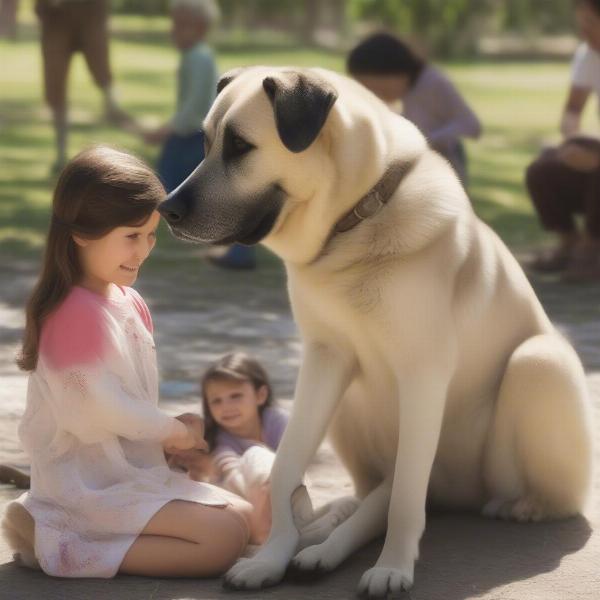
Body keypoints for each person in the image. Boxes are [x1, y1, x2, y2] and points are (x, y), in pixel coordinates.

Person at [1, 146, 260, 579]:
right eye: (131, 236)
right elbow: (97, 411)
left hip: (128, 475)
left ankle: (57, 530)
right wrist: (172, 432)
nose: (143, 250)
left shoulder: (128, 301)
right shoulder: (71, 314)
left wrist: (169, 435)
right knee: (221, 540)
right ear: (82, 233)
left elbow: (127, 399)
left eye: (151, 235)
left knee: (246, 517)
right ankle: (56, 540)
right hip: (86, 489)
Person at [142, 0, 256, 270]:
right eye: (174, 24)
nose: (174, 31)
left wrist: (165, 130)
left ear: (201, 28)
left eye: (182, 25)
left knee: (161, 187)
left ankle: (239, 251)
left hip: (192, 136)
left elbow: (195, 106)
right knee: (172, 189)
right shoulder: (196, 55)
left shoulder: (197, 57)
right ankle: (236, 250)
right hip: (192, 133)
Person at [167, 352, 315, 543]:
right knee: (247, 465)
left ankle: (271, 516)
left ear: (260, 395)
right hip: (245, 491)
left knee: (263, 460)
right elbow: (227, 466)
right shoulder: (219, 439)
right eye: (216, 400)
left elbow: (297, 458)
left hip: (283, 487)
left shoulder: (277, 422)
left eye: (235, 396)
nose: (226, 406)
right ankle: (264, 522)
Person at [526, 0, 600, 282]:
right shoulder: (589, 56)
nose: (584, 32)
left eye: (591, 24)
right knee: (542, 170)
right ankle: (569, 241)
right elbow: (572, 112)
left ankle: (593, 247)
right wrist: (572, 140)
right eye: (581, 24)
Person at [347, 31, 482, 184]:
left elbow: (471, 125)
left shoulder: (433, 84)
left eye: (379, 89)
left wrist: (426, 141)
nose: (378, 96)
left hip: (445, 173)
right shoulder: (403, 95)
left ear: (395, 72)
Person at [35, 0, 132, 173]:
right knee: (55, 83)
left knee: (101, 67)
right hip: (55, 13)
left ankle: (114, 112)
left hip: (89, 8)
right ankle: (61, 151)